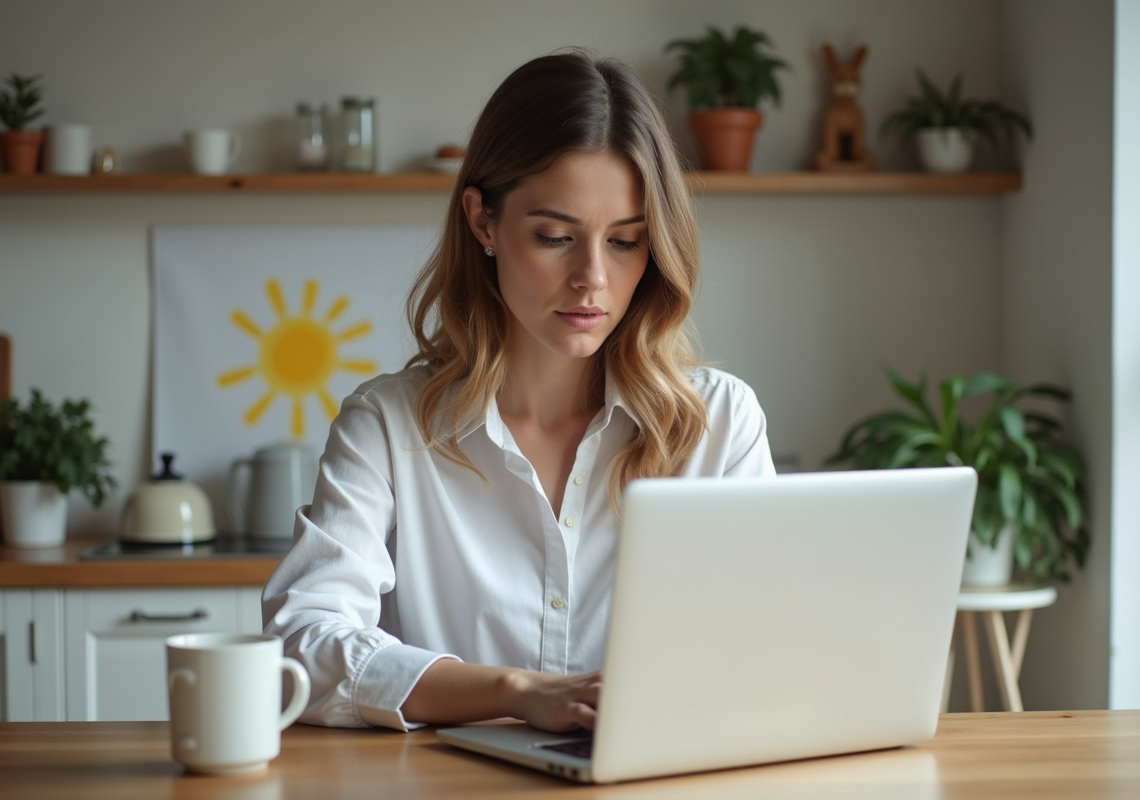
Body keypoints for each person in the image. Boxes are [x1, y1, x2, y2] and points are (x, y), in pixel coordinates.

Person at [262, 50, 776, 733]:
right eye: (556, 236)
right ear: (483, 223)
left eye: (625, 242)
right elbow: (302, 644)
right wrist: (514, 691)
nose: (592, 277)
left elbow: (772, 647)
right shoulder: (387, 427)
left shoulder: (718, 423)